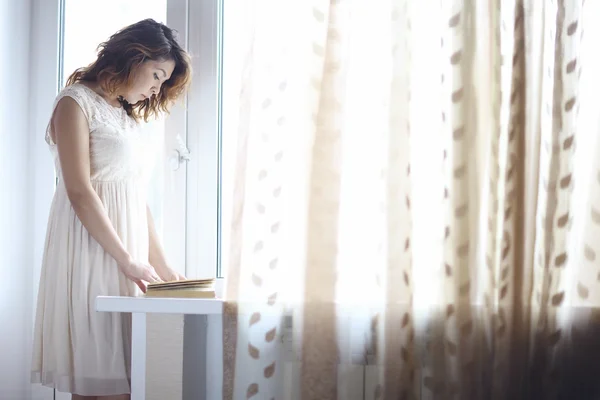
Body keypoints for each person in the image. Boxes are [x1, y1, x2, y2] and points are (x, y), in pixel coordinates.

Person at [30, 18, 192, 400]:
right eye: (156, 75)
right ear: (133, 58)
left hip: (128, 257)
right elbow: (79, 191)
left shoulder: (123, 114)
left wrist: (166, 270)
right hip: (91, 250)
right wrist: (125, 259)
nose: (156, 88)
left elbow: (135, 197)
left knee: (126, 377)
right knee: (99, 380)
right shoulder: (74, 102)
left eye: (163, 82)